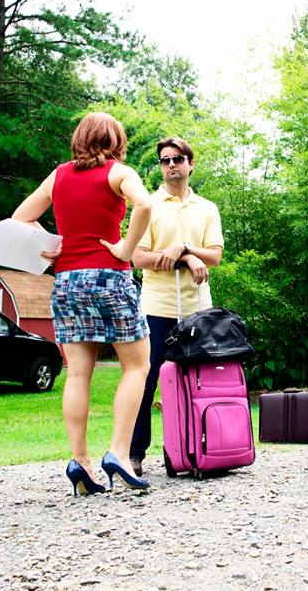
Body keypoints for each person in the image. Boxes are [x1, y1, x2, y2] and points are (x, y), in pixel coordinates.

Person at [12, 112, 153, 495]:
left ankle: (81, 461)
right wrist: (125, 247)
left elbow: (20, 219)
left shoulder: (58, 176)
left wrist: (53, 247)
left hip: (67, 282)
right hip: (109, 276)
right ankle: (119, 455)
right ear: (115, 141)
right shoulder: (119, 173)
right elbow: (144, 206)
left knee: (77, 374)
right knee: (137, 366)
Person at [129, 137, 224, 476]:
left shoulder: (207, 208)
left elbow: (214, 255)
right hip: (158, 306)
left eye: (178, 159)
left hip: (199, 307)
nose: (172, 165)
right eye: (165, 160)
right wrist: (186, 257)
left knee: (197, 380)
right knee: (146, 378)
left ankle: (191, 451)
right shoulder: (148, 206)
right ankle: (135, 452)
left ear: (191, 163)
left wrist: (183, 248)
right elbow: (138, 257)